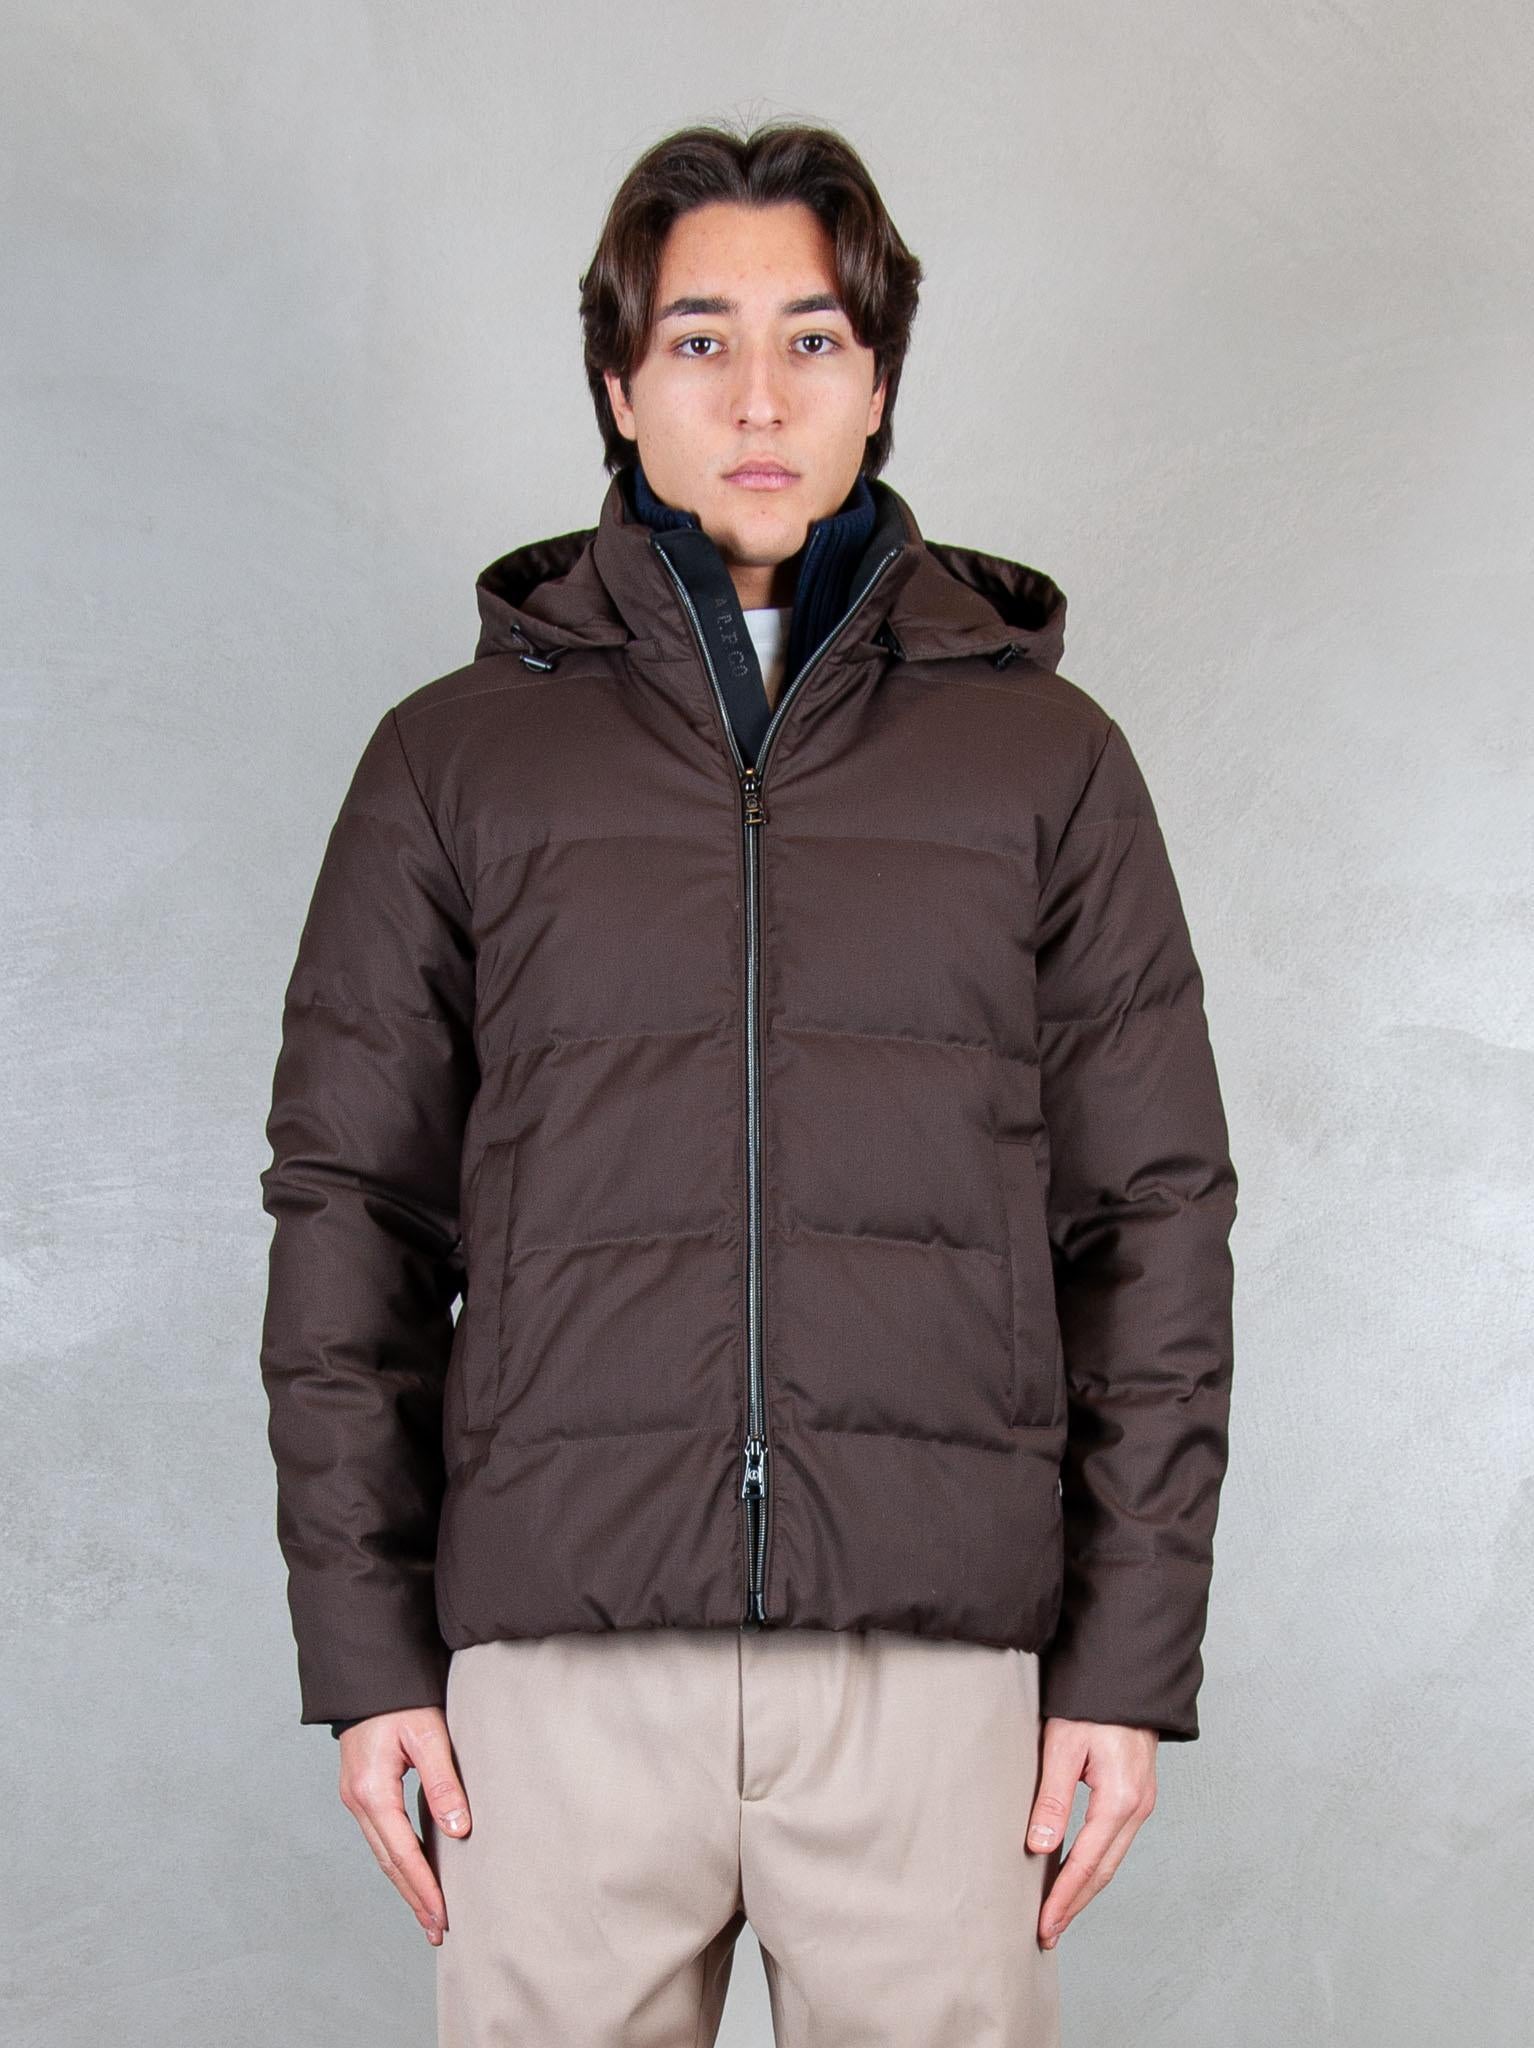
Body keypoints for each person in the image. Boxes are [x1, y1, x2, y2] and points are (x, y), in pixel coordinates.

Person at [259, 118, 1238, 2046]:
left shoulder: (1045, 765)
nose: (759, 395)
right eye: (699, 340)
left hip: (933, 1682)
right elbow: (350, 1218)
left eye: (812, 339)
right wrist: (367, 1657)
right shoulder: (451, 765)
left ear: (877, 380)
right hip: (556, 1680)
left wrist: (1123, 1666)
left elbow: (1151, 1227)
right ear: (619, 385)